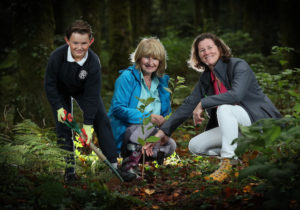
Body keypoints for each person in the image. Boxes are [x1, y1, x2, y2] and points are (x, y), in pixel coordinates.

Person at [146, 33, 281, 182]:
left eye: (210, 47)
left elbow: (236, 95)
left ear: (220, 48)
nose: (206, 52)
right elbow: (188, 105)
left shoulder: (238, 65)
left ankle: (228, 161)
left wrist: (203, 103)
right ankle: (237, 160)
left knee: (224, 108)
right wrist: (160, 133)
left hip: (257, 120)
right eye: (201, 50)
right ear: (198, 56)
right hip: (236, 129)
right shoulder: (207, 77)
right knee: (196, 145)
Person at [44, 20, 135, 183]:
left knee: (101, 118)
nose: (79, 47)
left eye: (84, 43)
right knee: (63, 126)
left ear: (91, 42)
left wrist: (87, 125)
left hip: (82, 90)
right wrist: (58, 107)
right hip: (60, 90)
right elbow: (49, 84)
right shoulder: (56, 57)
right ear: (67, 41)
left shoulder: (93, 62)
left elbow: (92, 96)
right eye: (75, 43)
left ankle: (113, 165)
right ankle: (69, 172)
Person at [108, 37, 176, 177]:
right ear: (139, 58)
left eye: (155, 59)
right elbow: (117, 109)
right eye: (147, 57)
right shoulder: (127, 78)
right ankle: (127, 167)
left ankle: (138, 162)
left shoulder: (163, 82)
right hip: (124, 131)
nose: (151, 62)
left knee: (170, 146)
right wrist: (148, 117)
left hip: (149, 133)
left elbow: (166, 115)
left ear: (160, 62)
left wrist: (164, 131)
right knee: (145, 127)